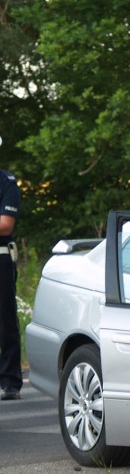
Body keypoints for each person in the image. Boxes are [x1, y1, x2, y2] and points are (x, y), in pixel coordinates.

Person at [0, 166, 21, 400]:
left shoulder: (5, 182)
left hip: (0, 256)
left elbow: (5, 224)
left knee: (5, 320)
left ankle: (10, 381)